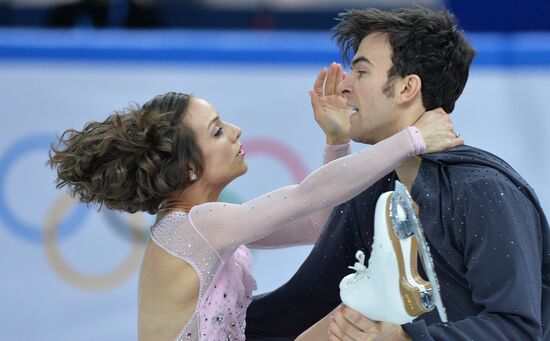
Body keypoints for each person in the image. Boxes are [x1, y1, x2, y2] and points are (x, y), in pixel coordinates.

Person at [47, 89, 460, 340]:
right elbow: (307, 196)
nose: (236, 129)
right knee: (354, 315)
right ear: (189, 167)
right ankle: (385, 284)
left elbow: (320, 224)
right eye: (216, 130)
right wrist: (413, 138)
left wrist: (337, 140)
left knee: (347, 319)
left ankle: (385, 285)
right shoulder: (196, 226)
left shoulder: (203, 228)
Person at [245, 7, 550, 341]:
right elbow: (306, 303)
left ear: (407, 88)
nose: (345, 86)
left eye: (361, 72)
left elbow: (518, 328)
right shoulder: (373, 188)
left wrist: (406, 338)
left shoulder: (483, 190)